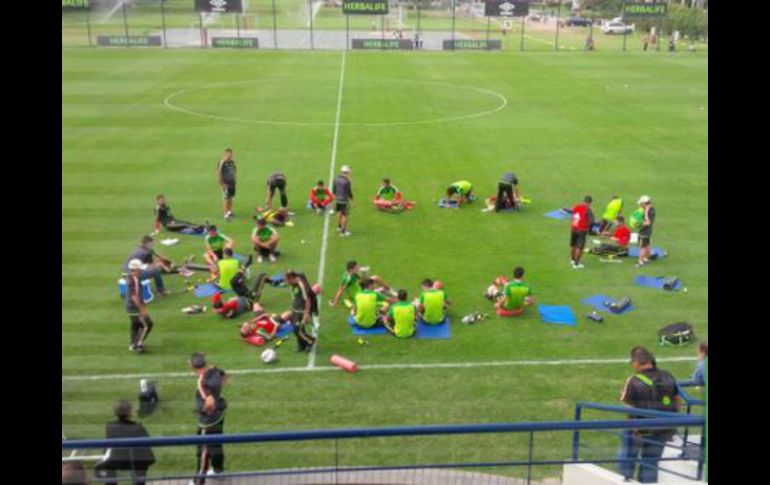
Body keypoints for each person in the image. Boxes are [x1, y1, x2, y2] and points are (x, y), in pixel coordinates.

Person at [617, 346, 680, 483]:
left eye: (632, 362)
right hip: (664, 428)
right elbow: (677, 401)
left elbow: (629, 407)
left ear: (637, 362)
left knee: (627, 458)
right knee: (650, 464)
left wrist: (635, 429)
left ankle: (625, 479)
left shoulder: (633, 380)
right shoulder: (668, 375)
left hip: (640, 429)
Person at [94, 400, 155, 485]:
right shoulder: (138, 428)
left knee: (107, 466)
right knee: (143, 461)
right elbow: (148, 442)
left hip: (117, 461)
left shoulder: (109, 426)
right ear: (129, 412)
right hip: (136, 461)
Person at [190, 352, 227, 484]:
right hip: (219, 415)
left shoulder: (202, 381)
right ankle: (218, 471)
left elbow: (209, 401)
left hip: (208, 421)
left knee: (204, 451)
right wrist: (217, 394)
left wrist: (202, 411)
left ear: (192, 366)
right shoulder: (215, 370)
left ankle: (199, 481)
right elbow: (225, 377)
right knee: (217, 443)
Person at [125, 259, 154, 354]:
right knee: (147, 324)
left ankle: (133, 343)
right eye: (139, 269)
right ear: (135, 269)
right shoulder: (133, 280)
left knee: (136, 325)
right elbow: (134, 297)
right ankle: (137, 344)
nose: (141, 271)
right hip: (134, 308)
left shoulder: (132, 277)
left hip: (130, 307)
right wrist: (142, 309)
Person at [285, 270, 319, 352]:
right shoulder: (295, 284)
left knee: (298, 329)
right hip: (296, 310)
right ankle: (301, 345)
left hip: (302, 311)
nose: (286, 282)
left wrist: (306, 314)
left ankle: (310, 341)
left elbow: (307, 300)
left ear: (292, 278)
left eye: (287, 280)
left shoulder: (302, 286)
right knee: (297, 328)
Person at [570, 195, 594, 269]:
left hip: (573, 228)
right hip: (582, 230)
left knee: (573, 245)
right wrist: (590, 230)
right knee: (580, 247)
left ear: (583, 200)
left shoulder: (576, 206)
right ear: (590, 203)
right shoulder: (588, 210)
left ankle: (573, 260)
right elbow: (592, 221)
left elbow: (573, 215)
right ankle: (576, 264)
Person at [216, 148, 237, 220]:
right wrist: (221, 184)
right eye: (228, 153)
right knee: (226, 198)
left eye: (231, 153)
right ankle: (225, 214)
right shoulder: (222, 162)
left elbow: (235, 168)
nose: (230, 155)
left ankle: (229, 212)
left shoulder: (231, 162)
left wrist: (235, 178)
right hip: (225, 183)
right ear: (225, 154)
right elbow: (218, 173)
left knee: (230, 197)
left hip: (232, 182)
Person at [635, 195, 656, 268]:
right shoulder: (652, 209)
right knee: (647, 245)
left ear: (645, 203)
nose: (641, 205)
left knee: (642, 247)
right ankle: (645, 258)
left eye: (641, 204)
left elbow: (647, 222)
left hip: (644, 231)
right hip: (648, 231)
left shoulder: (649, 211)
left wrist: (638, 224)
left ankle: (640, 261)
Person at [333, 165, 354, 237]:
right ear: (347, 172)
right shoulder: (347, 181)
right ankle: (343, 232)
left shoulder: (336, 179)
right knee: (345, 215)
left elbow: (334, 190)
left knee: (339, 213)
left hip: (337, 200)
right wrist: (352, 201)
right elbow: (349, 192)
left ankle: (339, 227)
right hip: (344, 200)